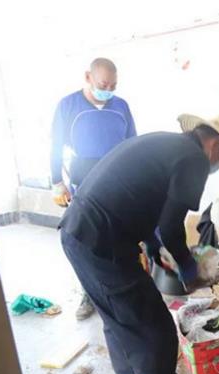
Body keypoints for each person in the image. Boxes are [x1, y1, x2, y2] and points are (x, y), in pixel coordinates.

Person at [59, 114, 219, 374]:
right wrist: (190, 272)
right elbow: (171, 226)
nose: (217, 166)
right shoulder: (195, 160)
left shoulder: (165, 144)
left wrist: (153, 245)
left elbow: (141, 199)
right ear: (215, 146)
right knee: (153, 329)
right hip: (103, 242)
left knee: (117, 311)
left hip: (77, 232)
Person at [50, 57, 137, 320]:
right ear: (88, 77)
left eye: (113, 86)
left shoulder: (121, 106)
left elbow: (132, 143)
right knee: (87, 242)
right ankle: (89, 295)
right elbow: (55, 146)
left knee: (120, 238)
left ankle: (126, 289)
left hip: (117, 182)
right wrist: (56, 181)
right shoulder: (68, 106)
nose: (108, 90)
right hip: (84, 185)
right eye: (103, 84)